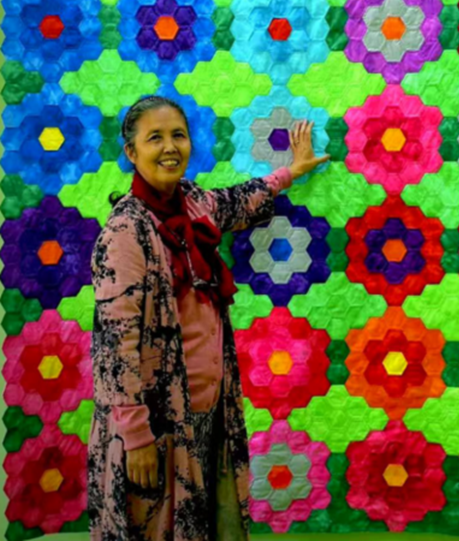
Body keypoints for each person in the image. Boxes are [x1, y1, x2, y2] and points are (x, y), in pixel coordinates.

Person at [87, 95, 329, 540]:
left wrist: (291, 172)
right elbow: (113, 348)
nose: (169, 147)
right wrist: (135, 436)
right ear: (131, 152)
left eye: (178, 135)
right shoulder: (125, 232)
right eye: (154, 138)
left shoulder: (194, 203)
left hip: (207, 409)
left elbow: (237, 201)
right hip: (155, 423)